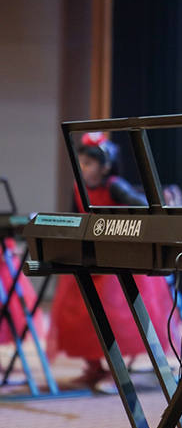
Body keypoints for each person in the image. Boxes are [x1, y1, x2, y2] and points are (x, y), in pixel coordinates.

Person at [47, 132, 173, 388]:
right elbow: (74, 219)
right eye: (80, 162)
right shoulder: (77, 188)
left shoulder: (115, 186)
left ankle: (117, 369)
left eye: (89, 163)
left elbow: (142, 208)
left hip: (115, 265)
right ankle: (93, 368)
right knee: (77, 314)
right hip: (88, 261)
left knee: (114, 313)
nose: (83, 169)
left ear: (105, 167)